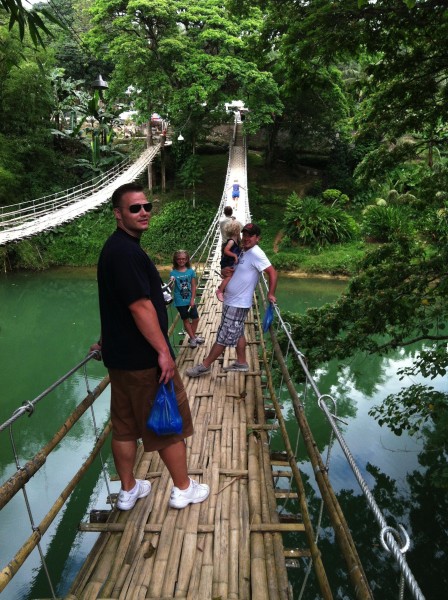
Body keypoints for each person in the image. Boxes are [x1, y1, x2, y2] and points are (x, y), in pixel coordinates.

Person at [90, 182, 209, 511]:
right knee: (168, 422)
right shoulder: (127, 253)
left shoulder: (115, 249)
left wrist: (106, 339)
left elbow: (115, 303)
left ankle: (129, 489)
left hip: (120, 359)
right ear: (118, 214)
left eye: (147, 207)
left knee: (124, 427)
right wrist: (162, 351)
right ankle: (183, 488)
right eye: (134, 208)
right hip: (144, 360)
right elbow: (140, 307)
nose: (143, 212)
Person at [186, 222, 277, 377]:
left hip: (238, 303)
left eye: (250, 235)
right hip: (232, 301)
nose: (246, 238)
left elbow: (272, 273)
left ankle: (205, 366)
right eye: (245, 234)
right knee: (238, 332)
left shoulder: (256, 253)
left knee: (223, 336)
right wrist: (224, 271)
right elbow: (236, 271)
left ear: (258, 238)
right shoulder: (244, 251)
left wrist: (270, 293)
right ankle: (242, 362)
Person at [170, 250, 205, 348]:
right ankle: (193, 338)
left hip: (189, 299)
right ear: (175, 260)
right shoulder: (173, 273)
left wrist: (192, 299)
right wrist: (171, 281)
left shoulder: (190, 271)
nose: (181, 261)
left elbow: (194, 286)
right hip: (180, 301)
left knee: (196, 319)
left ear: (187, 259)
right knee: (185, 320)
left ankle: (192, 337)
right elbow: (172, 288)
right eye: (179, 259)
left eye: (183, 259)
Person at [216, 220, 241, 302]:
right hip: (227, 262)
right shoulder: (231, 241)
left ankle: (222, 285)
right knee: (229, 276)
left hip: (230, 262)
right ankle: (220, 291)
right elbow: (226, 251)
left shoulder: (236, 240)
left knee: (231, 275)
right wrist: (234, 255)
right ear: (237, 230)